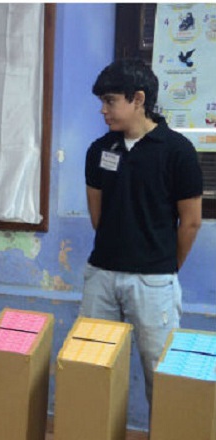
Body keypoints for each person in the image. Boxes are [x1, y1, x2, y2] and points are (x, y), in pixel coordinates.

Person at [82, 59, 202, 411]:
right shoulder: (100, 150)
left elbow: (191, 222)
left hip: (154, 283)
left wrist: (163, 266)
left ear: (138, 99)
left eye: (110, 101)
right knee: (90, 367)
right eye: (101, 102)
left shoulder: (177, 151)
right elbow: (97, 215)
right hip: (101, 276)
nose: (103, 110)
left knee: (162, 375)